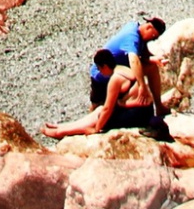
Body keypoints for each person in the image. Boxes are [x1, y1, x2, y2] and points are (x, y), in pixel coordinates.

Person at [43, 49, 171, 141]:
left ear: (104, 66)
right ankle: (62, 126)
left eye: (99, 69)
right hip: (144, 111)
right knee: (99, 110)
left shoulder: (115, 79)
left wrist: (96, 129)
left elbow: (107, 109)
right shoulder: (124, 69)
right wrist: (123, 104)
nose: (99, 72)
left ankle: (60, 132)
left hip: (137, 115)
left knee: (100, 115)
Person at [91, 14, 167, 121]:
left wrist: (154, 59)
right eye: (154, 35)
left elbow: (143, 55)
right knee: (98, 107)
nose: (153, 39)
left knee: (152, 67)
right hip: (102, 76)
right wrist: (142, 86)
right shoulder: (132, 37)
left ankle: (159, 106)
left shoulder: (135, 28)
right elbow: (134, 59)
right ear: (149, 27)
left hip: (120, 71)